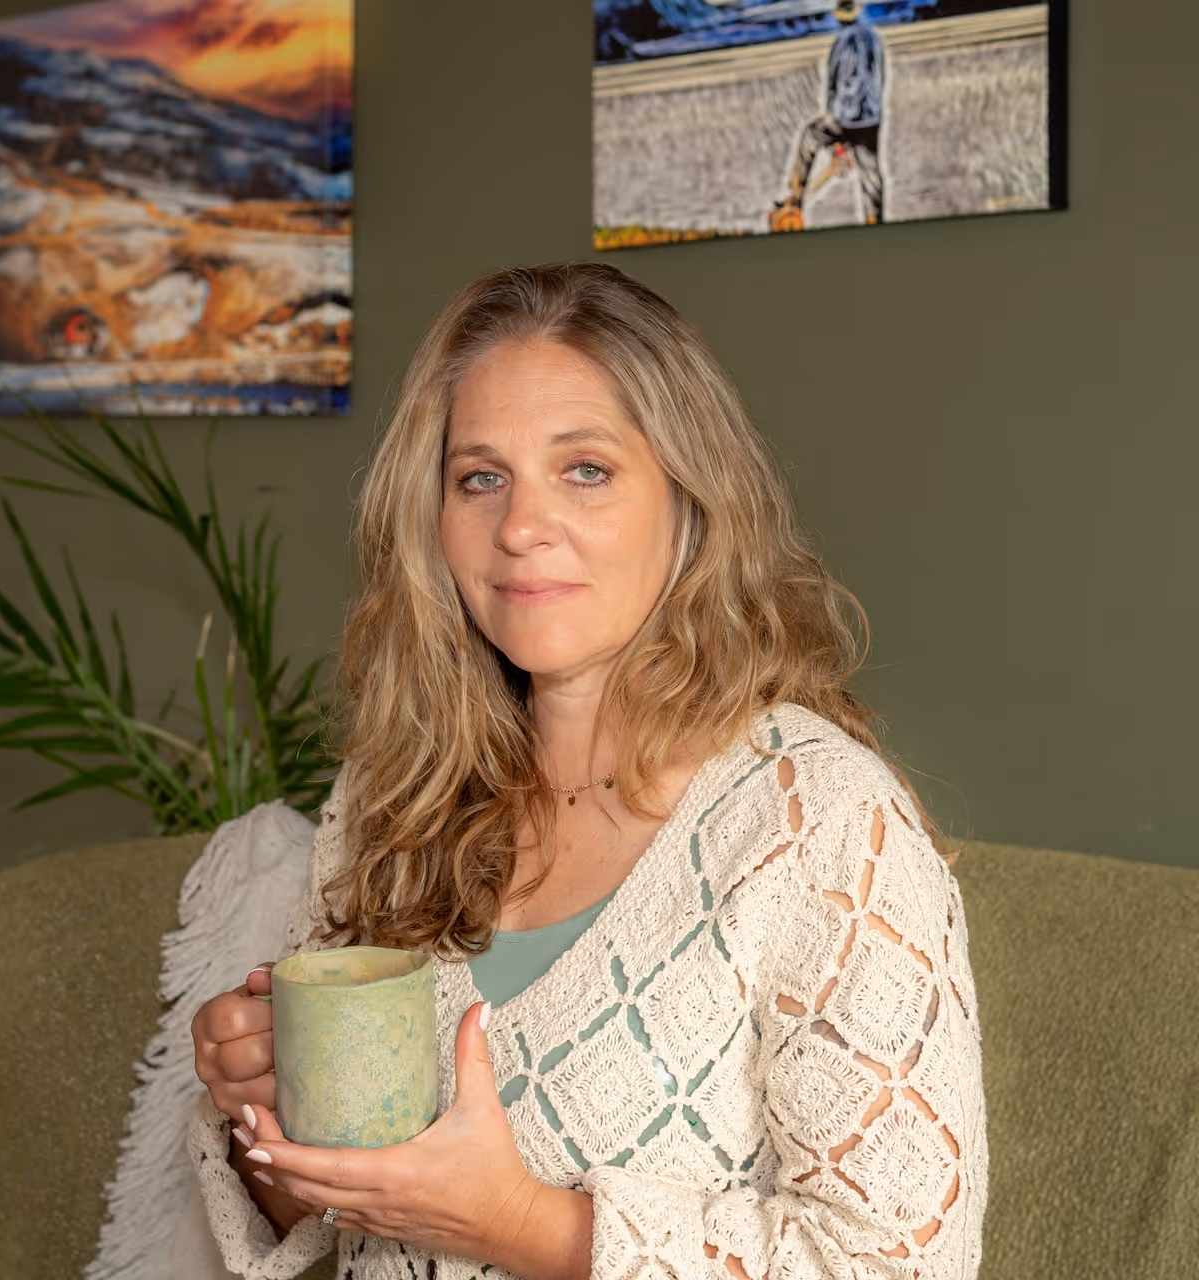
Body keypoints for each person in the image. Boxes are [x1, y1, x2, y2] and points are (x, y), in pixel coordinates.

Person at [189, 261, 987, 1279]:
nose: (519, 526)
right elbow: (336, 1217)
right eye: (479, 477)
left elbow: (900, 1266)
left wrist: (523, 1221)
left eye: (584, 469)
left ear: (689, 498)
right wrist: (264, 1109)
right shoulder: (389, 801)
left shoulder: (820, 824)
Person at [771, 0, 887, 231]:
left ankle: (794, 198)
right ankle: (875, 218)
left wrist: (835, 119)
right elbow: (879, 77)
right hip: (870, 117)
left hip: (846, 117)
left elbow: (843, 85)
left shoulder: (843, 42)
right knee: (870, 172)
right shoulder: (873, 37)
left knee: (810, 138)